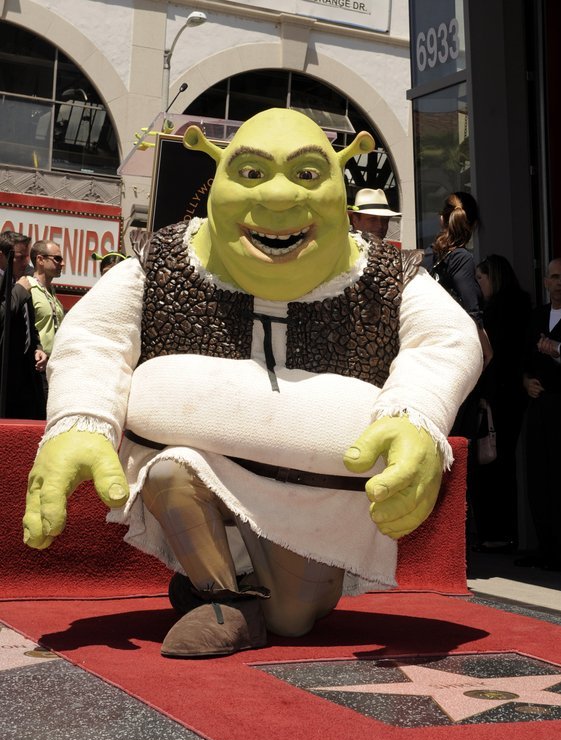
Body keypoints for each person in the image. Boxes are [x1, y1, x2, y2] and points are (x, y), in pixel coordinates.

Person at [23, 108, 482, 658]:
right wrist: (81, 420)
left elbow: (447, 338)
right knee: (169, 470)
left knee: (293, 618)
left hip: (316, 496)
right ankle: (223, 597)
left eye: (307, 174)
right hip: (199, 468)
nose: (280, 196)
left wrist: (417, 415)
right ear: (219, 177)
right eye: (251, 173)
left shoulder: (385, 274)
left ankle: (232, 584)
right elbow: (95, 337)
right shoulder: (164, 260)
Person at [517, 257, 561, 576]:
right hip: (538, 406)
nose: (560, 283)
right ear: (545, 282)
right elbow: (524, 358)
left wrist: (557, 350)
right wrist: (526, 382)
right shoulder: (537, 316)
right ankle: (546, 549)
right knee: (538, 478)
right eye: (555, 277)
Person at [468, 254, 532, 552]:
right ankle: (509, 530)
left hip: (497, 395)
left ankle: (495, 530)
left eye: (480, 279)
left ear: (491, 277)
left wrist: (484, 394)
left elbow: (492, 356)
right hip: (515, 394)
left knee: (491, 462)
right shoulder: (522, 305)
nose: (478, 285)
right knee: (505, 460)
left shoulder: (494, 311)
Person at [421, 191, 492, 438]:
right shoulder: (462, 258)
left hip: (428, 352)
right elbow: (472, 311)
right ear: (473, 224)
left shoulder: (427, 257)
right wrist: (488, 351)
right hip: (454, 355)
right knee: (460, 436)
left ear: (442, 219)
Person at [0, 232, 48, 419]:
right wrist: (19, 290)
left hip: (25, 376)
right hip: (5, 378)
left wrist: (38, 347)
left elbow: (30, 323)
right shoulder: (19, 285)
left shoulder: (22, 281)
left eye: (27, 257)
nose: (26, 263)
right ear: (2, 256)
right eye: (20, 257)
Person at [28, 240, 65, 401]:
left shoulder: (51, 292)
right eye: (57, 259)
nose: (62, 263)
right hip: (36, 368)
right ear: (40, 260)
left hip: (54, 368)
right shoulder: (28, 287)